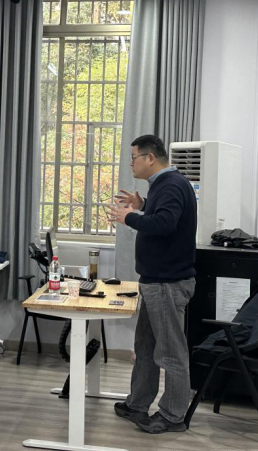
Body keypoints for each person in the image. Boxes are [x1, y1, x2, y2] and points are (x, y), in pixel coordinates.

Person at [106, 135, 197, 434]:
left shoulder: (171, 185)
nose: (131, 164)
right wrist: (142, 205)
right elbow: (163, 215)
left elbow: (165, 224)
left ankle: (172, 416)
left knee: (171, 353)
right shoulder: (163, 184)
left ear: (150, 158)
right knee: (145, 348)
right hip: (156, 282)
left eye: (134, 158)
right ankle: (138, 404)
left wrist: (130, 217)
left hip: (167, 284)